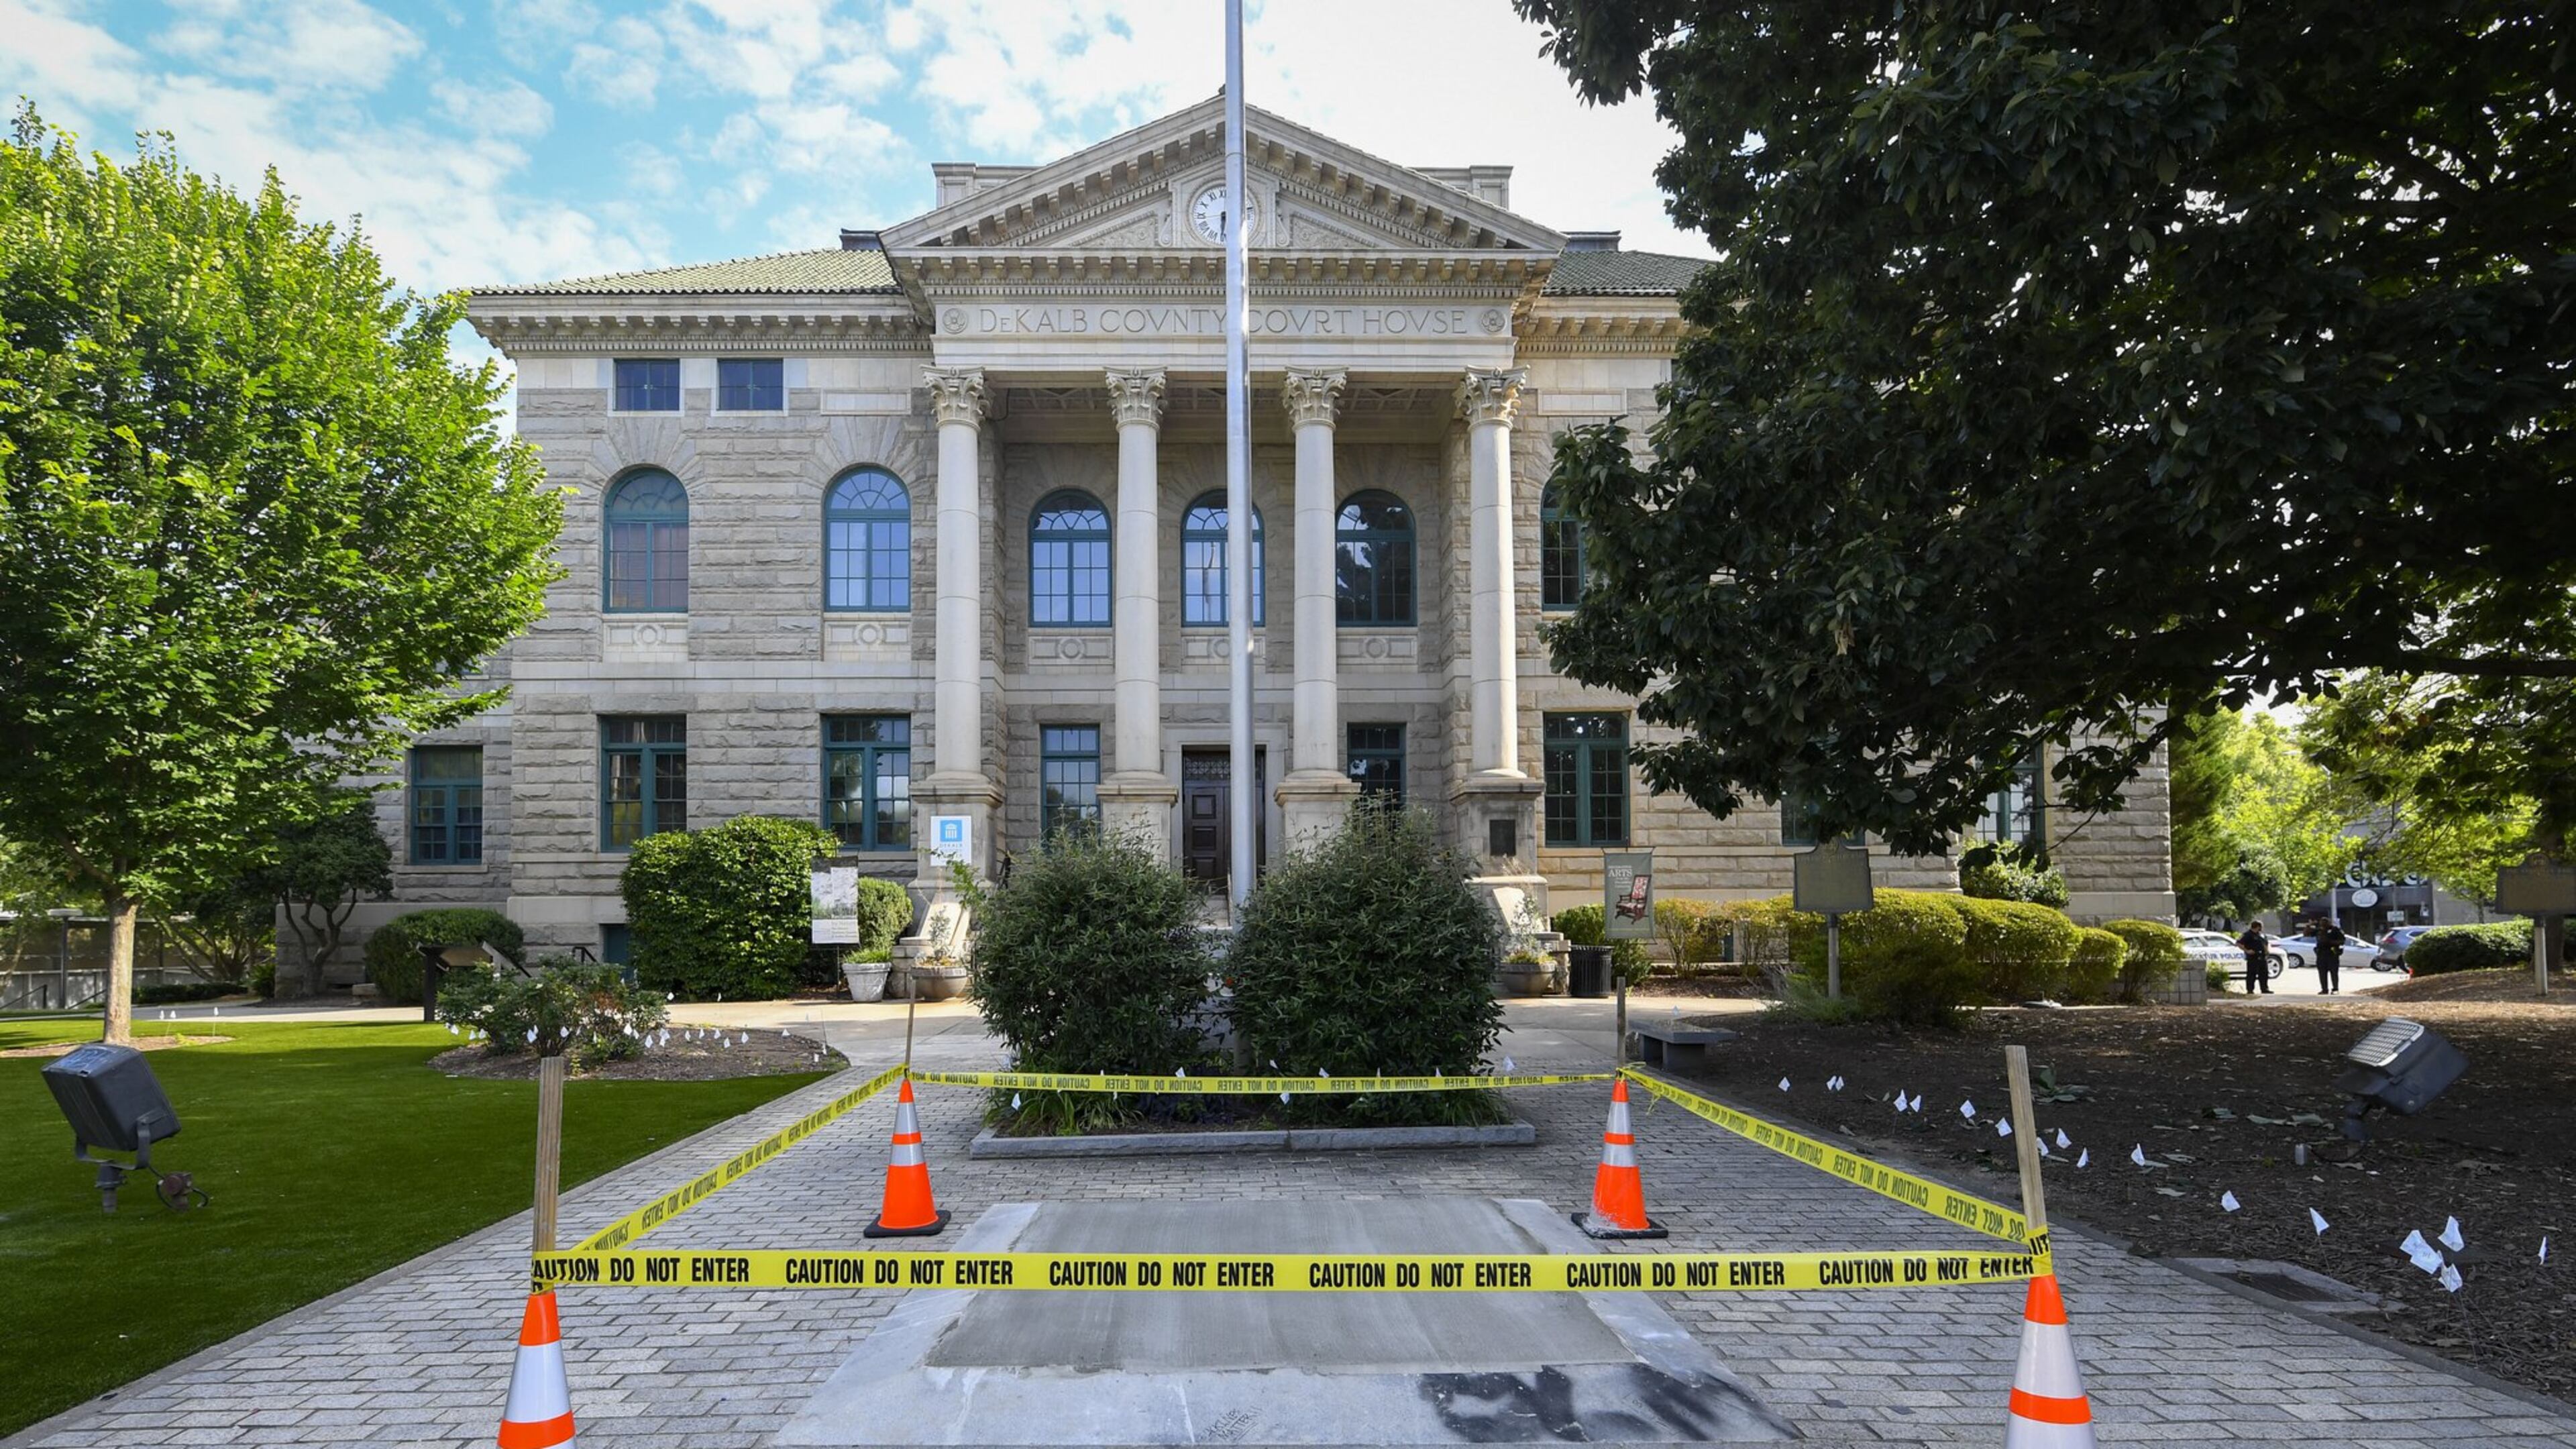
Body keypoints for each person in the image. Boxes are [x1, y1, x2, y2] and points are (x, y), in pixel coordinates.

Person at [2237, 921, 2273, 994]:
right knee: (2251, 975)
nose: (2262, 928)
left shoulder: (2262, 935)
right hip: (2253, 957)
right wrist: (2247, 951)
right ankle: (2250, 990)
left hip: (2262, 957)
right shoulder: (2247, 935)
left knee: (2264, 974)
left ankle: (2264, 989)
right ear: (2258, 927)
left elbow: (2265, 943)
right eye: (2261, 927)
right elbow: (2239, 943)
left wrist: (2267, 951)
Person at [2315, 919, 2347, 994]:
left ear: (2329, 923)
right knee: (2322, 973)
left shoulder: (2335, 930)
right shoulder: (2319, 930)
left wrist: (2330, 942)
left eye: (2325, 923)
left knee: (2334, 973)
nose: (2323, 925)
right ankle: (2324, 989)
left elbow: (2342, 941)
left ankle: (2335, 989)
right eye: (2322, 923)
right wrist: (2308, 925)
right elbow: (2306, 934)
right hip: (2321, 954)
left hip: (2332, 953)